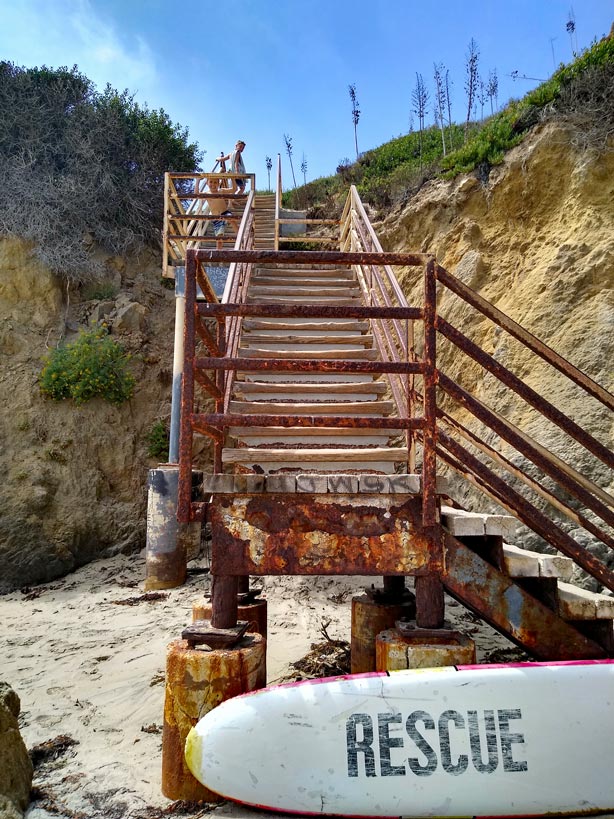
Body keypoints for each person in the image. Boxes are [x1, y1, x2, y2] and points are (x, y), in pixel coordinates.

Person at [205, 176, 233, 249]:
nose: (213, 184)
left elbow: (234, 189)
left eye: (215, 182)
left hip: (225, 213)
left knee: (231, 218)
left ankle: (240, 235)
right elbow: (196, 193)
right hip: (216, 219)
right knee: (219, 237)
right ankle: (218, 252)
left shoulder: (221, 190)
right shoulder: (206, 193)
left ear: (219, 183)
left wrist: (233, 178)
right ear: (206, 183)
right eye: (211, 182)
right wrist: (198, 180)